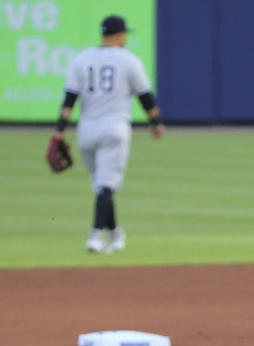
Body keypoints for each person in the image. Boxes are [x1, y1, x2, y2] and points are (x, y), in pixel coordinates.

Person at [53, 14, 165, 254]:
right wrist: (155, 123)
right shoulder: (129, 60)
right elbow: (146, 98)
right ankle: (95, 235)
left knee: (102, 185)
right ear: (121, 34)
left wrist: (59, 132)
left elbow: (69, 100)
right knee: (105, 186)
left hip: (86, 130)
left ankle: (115, 234)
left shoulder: (81, 59)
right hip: (115, 128)